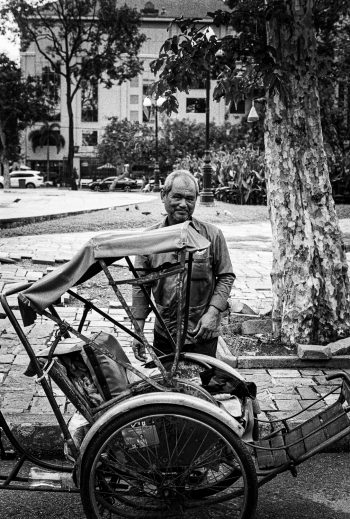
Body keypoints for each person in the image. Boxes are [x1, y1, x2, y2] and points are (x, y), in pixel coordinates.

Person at [131, 169, 235, 361]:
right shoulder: (148, 239)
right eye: (177, 197)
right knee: (168, 387)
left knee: (203, 387)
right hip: (165, 332)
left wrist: (213, 313)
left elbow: (226, 276)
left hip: (202, 331)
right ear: (163, 195)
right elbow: (141, 285)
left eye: (189, 198)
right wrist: (137, 329)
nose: (183, 204)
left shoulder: (212, 235)